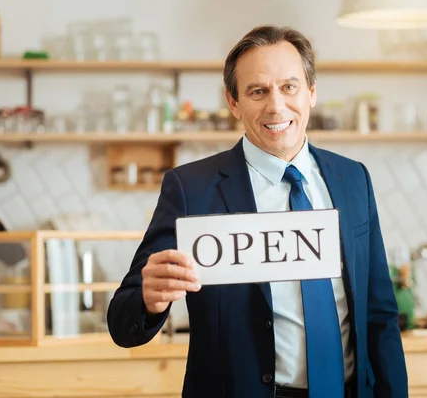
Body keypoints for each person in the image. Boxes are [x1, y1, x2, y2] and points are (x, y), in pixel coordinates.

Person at [107, 25, 409, 398]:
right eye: (257, 91)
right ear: (233, 103)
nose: (276, 106)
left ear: (311, 92)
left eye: (289, 87)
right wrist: (148, 301)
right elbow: (122, 323)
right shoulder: (192, 190)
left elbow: (379, 315)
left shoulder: (353, 179)